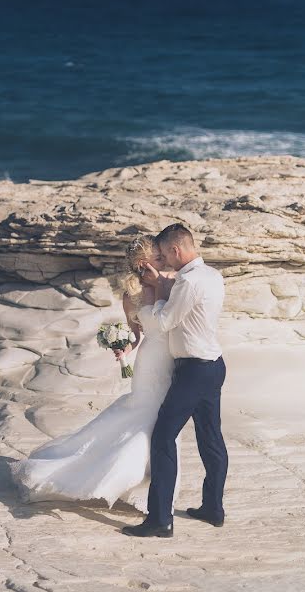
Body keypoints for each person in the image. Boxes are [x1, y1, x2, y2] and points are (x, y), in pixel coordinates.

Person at [10, 234, 180, 510]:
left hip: (171, 360)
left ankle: (150, 490)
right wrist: (125, 349)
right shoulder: (132, 294)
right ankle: (129, 483)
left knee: (160, 423)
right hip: (150, 361)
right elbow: (137, 336)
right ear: (141, 264)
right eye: (157, 258)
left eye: (162, 256)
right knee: (149, 419)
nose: (164, 261)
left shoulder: (172, 282)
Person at [121, 223, 228, 538]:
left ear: (176, 249)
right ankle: (213, 508)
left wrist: (153, 296)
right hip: (214, 365)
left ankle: (160, 520)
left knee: (163, 437)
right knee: (211, 439)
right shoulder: (212, 275)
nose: (164, 259)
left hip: (193, 370)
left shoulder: (188, 281)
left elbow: (165, 321)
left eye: (165, 253)